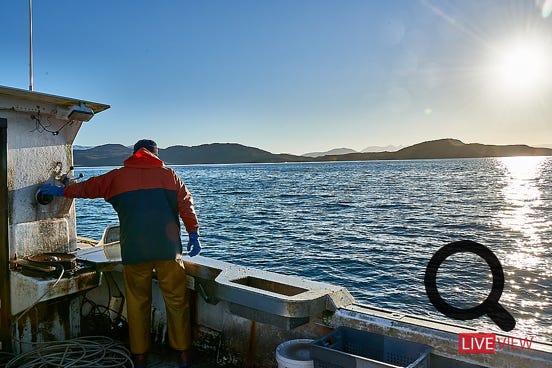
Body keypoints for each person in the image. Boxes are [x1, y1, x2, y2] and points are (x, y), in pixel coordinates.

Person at [41, 139, 200, 368]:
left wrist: (61, 191)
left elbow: (88, 188)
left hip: (134, 251)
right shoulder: (170, 176)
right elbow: (186, 204)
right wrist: (194, 234)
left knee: (137, 303)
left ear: (135, 154)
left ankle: (140, 357)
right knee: (177, 301)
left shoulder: (117, 176)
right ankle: (183, 355)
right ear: (156, 154)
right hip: (168, 250)